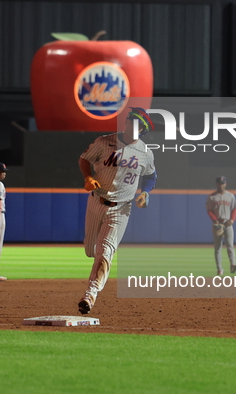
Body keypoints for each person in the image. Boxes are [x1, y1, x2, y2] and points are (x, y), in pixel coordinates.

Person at [77, 107, 157, 314]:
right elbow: (84, 158)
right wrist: (87, 177)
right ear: (126, 123)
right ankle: (97, 265)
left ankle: (90, 294)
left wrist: (145, 192)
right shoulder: (105, 141)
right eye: (130, 121)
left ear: (142, 130)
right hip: (97, 200)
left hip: (122, 208)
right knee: (91, 251)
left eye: (137, 124)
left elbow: (151, 176)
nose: (132, 126)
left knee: (105, 252)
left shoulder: (146, 153)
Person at [206, 176, 236, 276]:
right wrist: (215, 220)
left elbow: (234, 209)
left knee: (230, 245)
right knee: (218, 248)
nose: (221, 185)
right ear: (216, 184)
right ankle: (220, 269)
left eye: (223, 183)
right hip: (217, 224)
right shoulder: (212, 197)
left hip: (228, 223)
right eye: (220, 183)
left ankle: (233, 265)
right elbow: (209, 210)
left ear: (226, 184)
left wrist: (232, 220)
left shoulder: (230, 196)